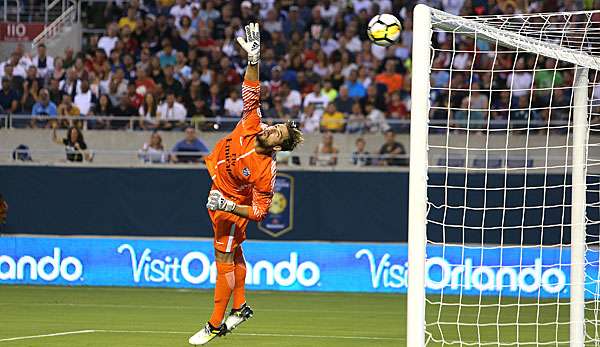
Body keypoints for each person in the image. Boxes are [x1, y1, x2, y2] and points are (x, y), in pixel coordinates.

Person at [188, 23, 304, 346]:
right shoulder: (253, 125)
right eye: (275, 127)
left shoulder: (267, 170)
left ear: (279, 146)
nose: (270, 130)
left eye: (276, 133)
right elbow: (251, 92)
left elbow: (260, 211)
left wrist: (228, 206)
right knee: (235, 253)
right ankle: (239, 307)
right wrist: (254, 59)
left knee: (223, 260)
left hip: (228, 205)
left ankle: (214, 325)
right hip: (219, 189)